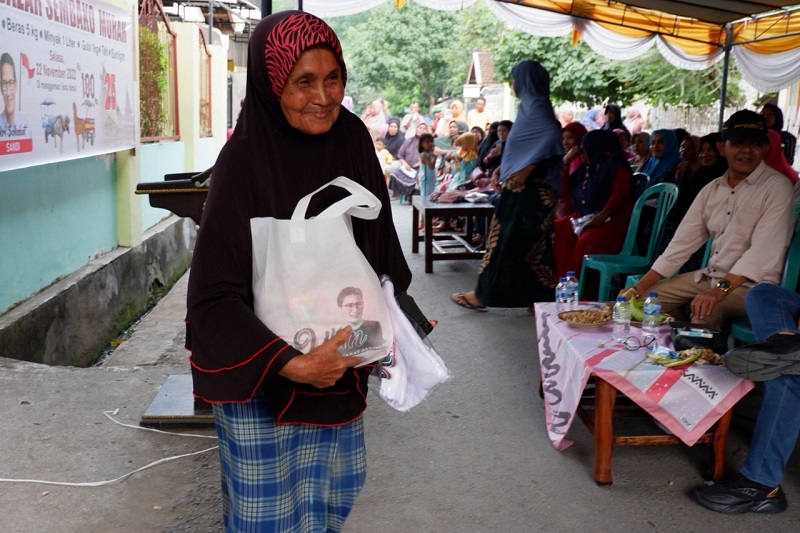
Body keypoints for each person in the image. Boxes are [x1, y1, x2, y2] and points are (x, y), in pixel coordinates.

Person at [185, 11, 411, 531]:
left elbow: (378, 250)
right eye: (303, 81)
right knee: (266, 517)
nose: (324, 96)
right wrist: (293, 363)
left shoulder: (351, 138)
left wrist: (400, 317)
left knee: (332, 501)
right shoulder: (242, 162)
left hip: (337, 360)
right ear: (271, 84)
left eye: (333, 78)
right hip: (264, 376)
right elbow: (213, 298)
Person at [620, 110, 794, 331]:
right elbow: (681, 244)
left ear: (766, 148)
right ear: (723, 148)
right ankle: (680, 343)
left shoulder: (777, 187)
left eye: (755, 144)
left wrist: (718, 291)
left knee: (705, 310)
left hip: (752, 287)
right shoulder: (711, 190)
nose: (747, 151)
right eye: (738, 143)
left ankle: (698, 357)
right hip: (710, 277)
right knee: (642, 303)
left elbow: (760, 255)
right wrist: (638, 287)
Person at [451, 60, 562, 311]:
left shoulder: (538, 108)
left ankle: (483, 295)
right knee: (531, 246)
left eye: (516, 79)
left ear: (526, 81)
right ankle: (538, 299)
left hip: (533, 191)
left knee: (506, 241)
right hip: (523, 187)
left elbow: (552, 137)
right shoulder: (530, 107)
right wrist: (506, 167)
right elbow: (524, 145)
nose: (513, 84)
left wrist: (526, 168)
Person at [694, 283, 800, 514]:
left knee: (787, 376)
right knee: (764, 293)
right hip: (712, 281)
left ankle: (761, 484)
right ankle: (785, 344)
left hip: (728, 281)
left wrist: (721, 286)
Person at [553, 130, 633, 280]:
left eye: (585, 147)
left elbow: (619, 194)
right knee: (558, 229)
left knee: (586, 241)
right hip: (590, 215)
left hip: (612, 219)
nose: (582, 150)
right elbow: (565, 189)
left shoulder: (616, 163)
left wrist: (602, 215)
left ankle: (579, 289)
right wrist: (566, 161)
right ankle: (561, 280)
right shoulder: (590, 167)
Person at [336, 286, 387, 358]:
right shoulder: (336, 335)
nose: (355, 310)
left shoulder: (374, 326)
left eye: (358, 304)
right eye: (349, 305)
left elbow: (381, 353)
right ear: (340, 309)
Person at [0, 53, 29, 133]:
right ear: (1, 88)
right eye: (4, 84)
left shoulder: (26, 126)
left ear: (16, 85)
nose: (9, 93)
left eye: (11, 83)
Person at [418, 133, 437, 197]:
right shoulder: (423, 155)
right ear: (421, 144)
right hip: (425, 178)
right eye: (427, 142)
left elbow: (433, 166)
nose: (429, 144)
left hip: (430, 177)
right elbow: (431, 166)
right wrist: (435, 158)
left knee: (431, 193)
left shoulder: (430, 154)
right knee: (425, 195)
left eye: (431, 142)